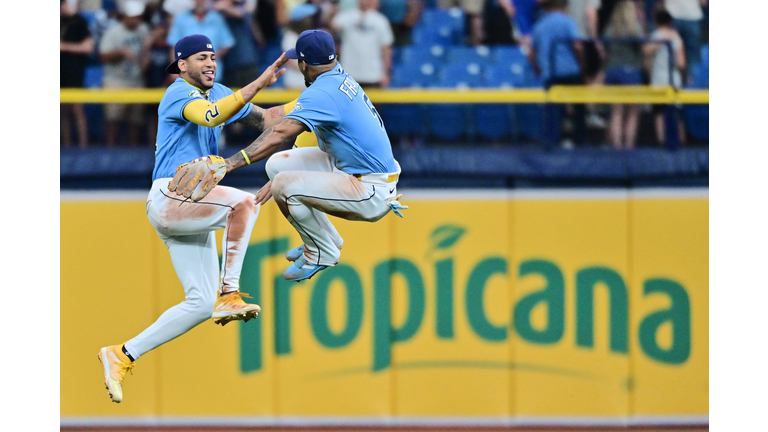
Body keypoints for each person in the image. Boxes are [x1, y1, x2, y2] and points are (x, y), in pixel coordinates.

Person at [97, 34, 293, 404]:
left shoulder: (219, 91)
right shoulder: (177, 92)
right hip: (171, 193)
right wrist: (258, 82)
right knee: (244, 203)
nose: (210, 63)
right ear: (182, 64)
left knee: (200, 304)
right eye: (201, 57)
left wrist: (315, 103)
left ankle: (122, 354)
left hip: (192, 204)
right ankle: (230, 293)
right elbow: (209, 115)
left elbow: (268, 120)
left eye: (212, 57)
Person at [169, 29, 407, 283]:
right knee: (278, 165)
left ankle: (321, 252)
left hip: (370, 190)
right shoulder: (335, 78)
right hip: (353, 170)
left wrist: (229, 164)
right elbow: (271, 120)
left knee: (284, 184)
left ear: (303, 64)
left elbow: (280, 133)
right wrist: (251, 89)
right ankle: (325, 240)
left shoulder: (322, 93)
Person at [529, 0, 586, 148]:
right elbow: (577, 46)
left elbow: (531, 53)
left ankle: (553, 141)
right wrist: (582, 64)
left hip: (550, 74)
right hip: (571, 72)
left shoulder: (539, 25)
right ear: (565, 6)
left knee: (554, 110)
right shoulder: (567, 22)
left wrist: (537, 69)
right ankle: (578, 140)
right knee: (578, 108)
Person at [99, 0, 151, 147]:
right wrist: (120, 52)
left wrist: (146, 57)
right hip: (116, 80)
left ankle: (132, 153)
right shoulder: (113, 32)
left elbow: (146, 52)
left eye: (137, 17)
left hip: (137, 79)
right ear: (124, 16)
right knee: (113, 119)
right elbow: (102, 57)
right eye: (132, 17)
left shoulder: (143, 30)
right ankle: (109, 152)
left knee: (136, 120)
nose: (135, 20)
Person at [602, 0, 644, 150]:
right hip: (631, 71)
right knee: (633, 112)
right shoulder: (634, 27)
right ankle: (629, 146)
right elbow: (642, 45)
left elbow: (604, 45)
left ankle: (617, 146)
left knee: (616, 111)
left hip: (613, 70)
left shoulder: (611, 27)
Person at [644, 7, 686, 146]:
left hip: (658, 79)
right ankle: (681, 142)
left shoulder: (654, 36)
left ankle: (661, 142)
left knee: (659, 112)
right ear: (670, 21)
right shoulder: (676, 37)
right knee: (677, 113)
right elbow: (681, 63)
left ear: (656, 21)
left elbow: (646, 53)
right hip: (674, 79)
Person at [167, 0, 236, 83]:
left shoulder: (216, 18)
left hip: (213, 75)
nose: (199, 2)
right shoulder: (181, 19)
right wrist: (175, 69)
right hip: (188, 75)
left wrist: (209, 59)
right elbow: (173, 45)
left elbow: (227, 43)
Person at [331, 0, 394, 88]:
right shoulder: (346, 17)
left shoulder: (380, 21)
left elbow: (386, 48)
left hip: (373, 75)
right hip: (349, 74)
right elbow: (332, 26)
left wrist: (386, 72)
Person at [60, 0, 94, 149]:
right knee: (63, 111)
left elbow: (88, 47)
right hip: (60, 72)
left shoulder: (79, 22)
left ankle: (83, 146)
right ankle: (66, 146)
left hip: (74, 71)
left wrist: (64, 47)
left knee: (77, 108)